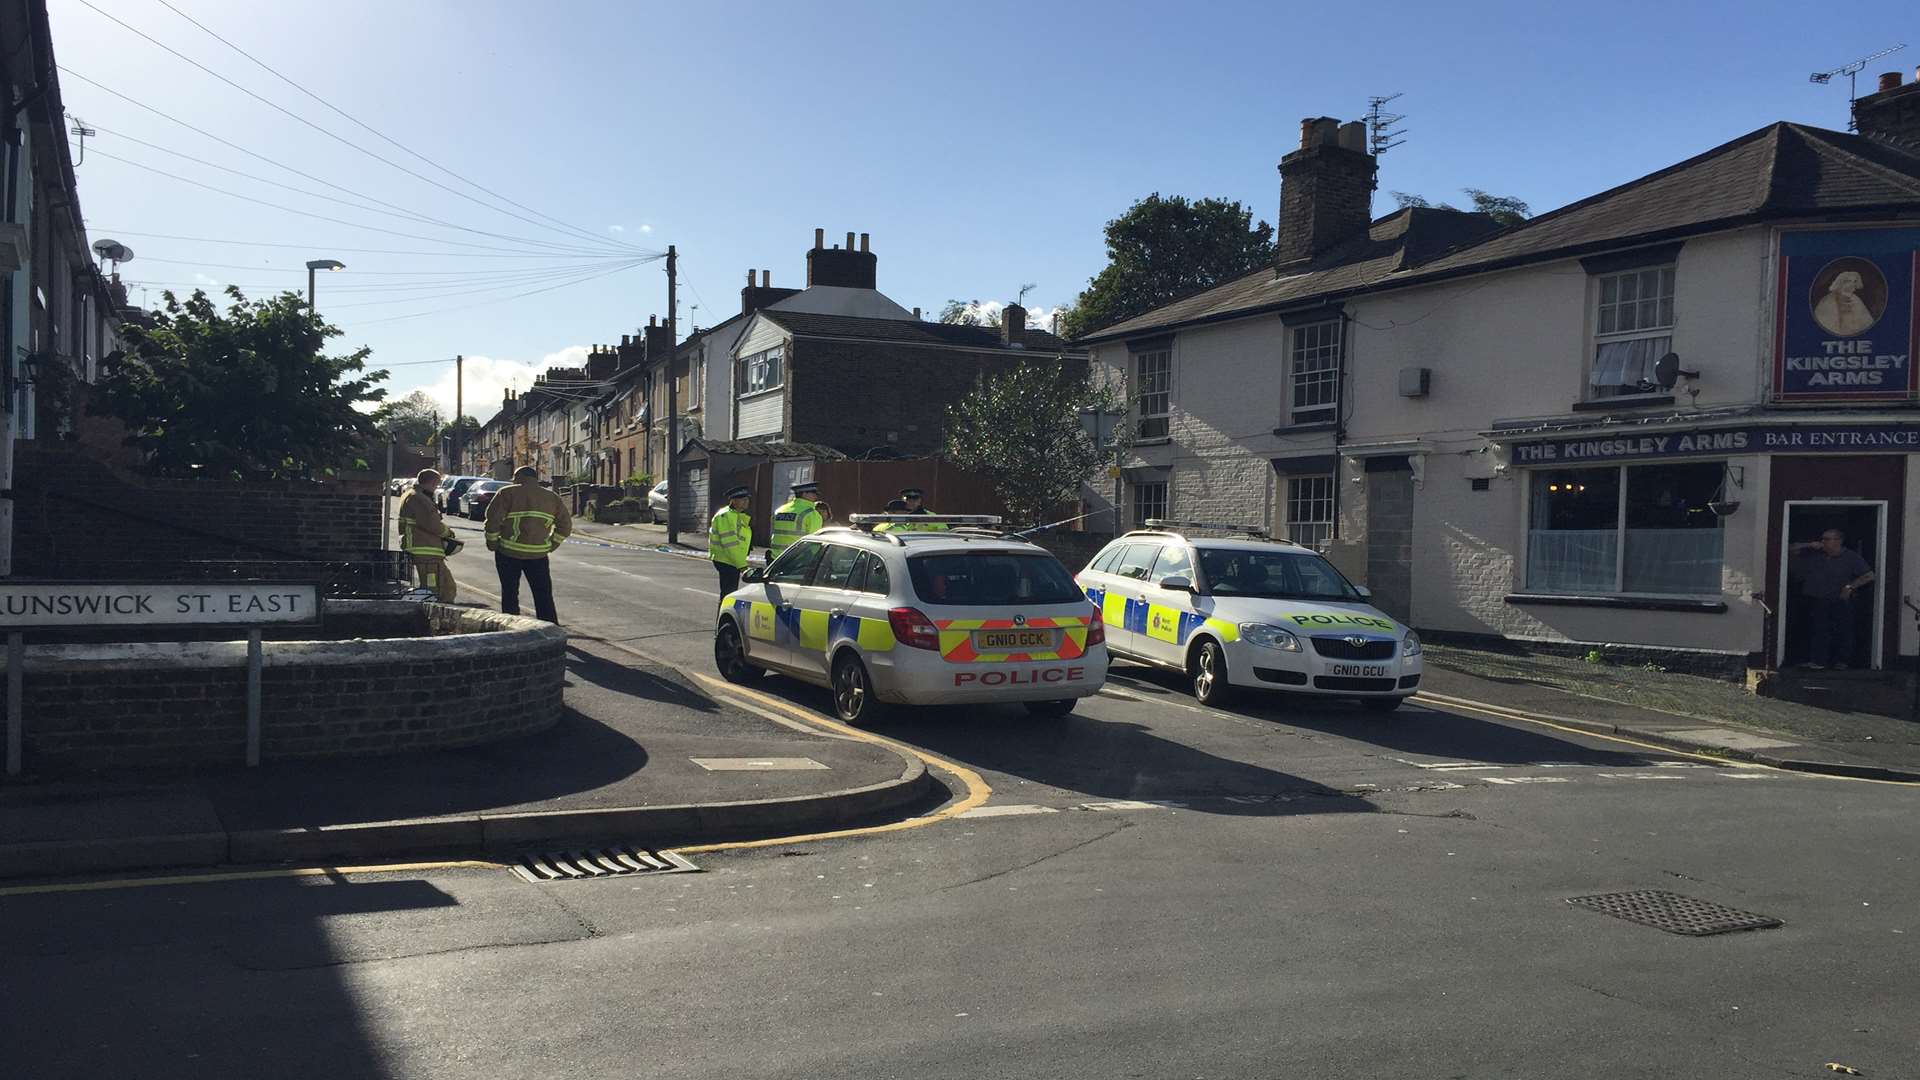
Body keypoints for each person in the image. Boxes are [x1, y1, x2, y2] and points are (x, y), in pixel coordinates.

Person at [484, 465, 573, 623]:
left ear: (518, 478)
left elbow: (493, 521)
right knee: (543, 594)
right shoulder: (552, 497)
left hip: (508, 552)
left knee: (510, 593)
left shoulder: (507, 493)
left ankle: (512, 627)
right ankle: (550, 627)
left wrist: (492, 543)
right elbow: (565, 525)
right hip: (538, 555)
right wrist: (552, 544)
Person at [1790, 529, 1875, 669]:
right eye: (1822, 539)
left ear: (1839, 541)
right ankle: (1818, 661)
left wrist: (1850, 587)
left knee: (1842, 631)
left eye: (1827, 539)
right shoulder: (1815, 554)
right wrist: (1809, 545)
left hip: (1839, 600)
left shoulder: (1851, 557)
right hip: (1816, 599)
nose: (1823, 542)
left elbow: (1869, 575)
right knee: (1818, 630)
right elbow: (1789, 549)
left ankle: (1842, 662)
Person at [397, 468, 458, 601]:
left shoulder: (412, 495)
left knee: (447, 587)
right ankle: (429, 615)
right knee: (433, 590)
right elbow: (432, 524)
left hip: (423, 548)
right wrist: (448, 533)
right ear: (432, 482)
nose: (437, 487)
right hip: (425, 549)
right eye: (437, 484)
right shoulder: (420, 499)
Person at [709, 485, 753, 595]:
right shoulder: (726, 516)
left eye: (747, 499)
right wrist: (742, 566)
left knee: (729, 593)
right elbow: (730, 544)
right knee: (728, 594)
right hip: (727, 560)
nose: (746, 502)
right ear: (733, 501)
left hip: (731, 560)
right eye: (743, 499)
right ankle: (725, 612)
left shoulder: (736, 515)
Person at [768, 479, 824, 561]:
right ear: (804, 494)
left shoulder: (780, 510)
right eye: (813, 493)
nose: (816, 497)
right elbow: (815, 542)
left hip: (775, 559)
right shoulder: (811, 513)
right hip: (797, 560)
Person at [1813, 269, 1879, 337]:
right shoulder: (1827, 301)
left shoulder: (1856, 299)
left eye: (1854, 281)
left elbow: (1865, 322)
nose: (1852, 285)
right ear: (1840, 283)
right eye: (1848, 281)